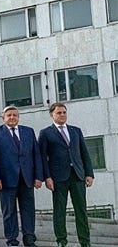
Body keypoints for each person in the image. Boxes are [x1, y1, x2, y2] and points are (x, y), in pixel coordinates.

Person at [0, 106, 44, 247]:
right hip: (6, 180)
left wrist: (38, 177)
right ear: (3, 118)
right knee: (9, 211)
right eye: (9, 115)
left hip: (27, 178)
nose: (12, 117)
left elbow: (36, 155)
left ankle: (29, 238)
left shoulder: (28, 132)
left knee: (28, 210)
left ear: (18, 117)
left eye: (15, 115)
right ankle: (12, 240)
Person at [39, 103, 94, 247]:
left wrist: (89, 173)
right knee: (59, 210)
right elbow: (42, 158)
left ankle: (85, 241)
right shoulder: (46, 133)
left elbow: (84, 153)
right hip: (58, 177)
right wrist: (47, 177)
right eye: (59, 113)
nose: (62, 115)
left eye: (64, 112)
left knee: (81, 210)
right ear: (52, 115)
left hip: (77, 175)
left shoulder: (75, 131)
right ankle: (61, 241)